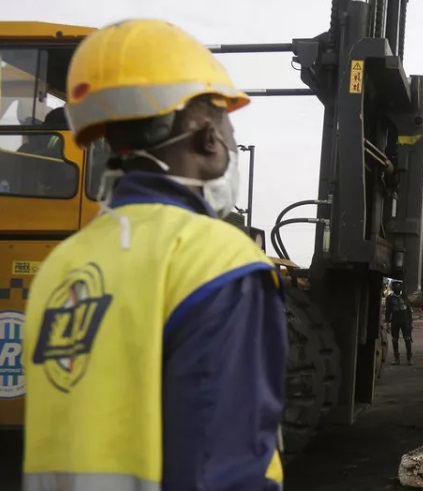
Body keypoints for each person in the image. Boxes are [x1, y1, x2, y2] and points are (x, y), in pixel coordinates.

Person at [20, 19, 285, 491]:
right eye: (225, 116)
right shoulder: (217, 259)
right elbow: (221, 470)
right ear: (208, 134)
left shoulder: (62, 265)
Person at [386, 280, 414, 365]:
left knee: (408, 339)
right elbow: (388, 311)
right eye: (395, 284)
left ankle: (409, 359)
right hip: (395, 319)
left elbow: (409, 311)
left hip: (405, 319)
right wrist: (387, 323)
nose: (397, 285)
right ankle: (396, 359)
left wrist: (411, 322)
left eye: (399, 284)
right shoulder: (389, 298)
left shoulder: (405, 297)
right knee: (395, 339)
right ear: (392, 286)